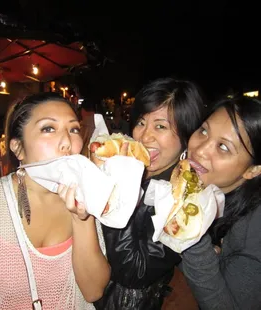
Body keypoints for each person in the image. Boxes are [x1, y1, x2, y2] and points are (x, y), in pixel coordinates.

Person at [0, 93, 110, 310]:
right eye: (48, 129)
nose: (67, 142)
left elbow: (93, 291)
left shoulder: (86, 198)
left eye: (73, 129)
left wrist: (81, 219)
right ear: (17, 148)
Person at [93, 77, 206, 309]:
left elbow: (134, 272)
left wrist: (116, 192)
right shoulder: (133, 168)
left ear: (186, 137)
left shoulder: (188, 200)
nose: (144, 137)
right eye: (141, 122)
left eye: (161, 126)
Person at [181, 96, 261, 309]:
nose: (200, 150)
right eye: (204, 131)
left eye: (223, 147)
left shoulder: (255, 227)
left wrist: (190, 231)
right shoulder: (187, 183)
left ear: (252, 170)